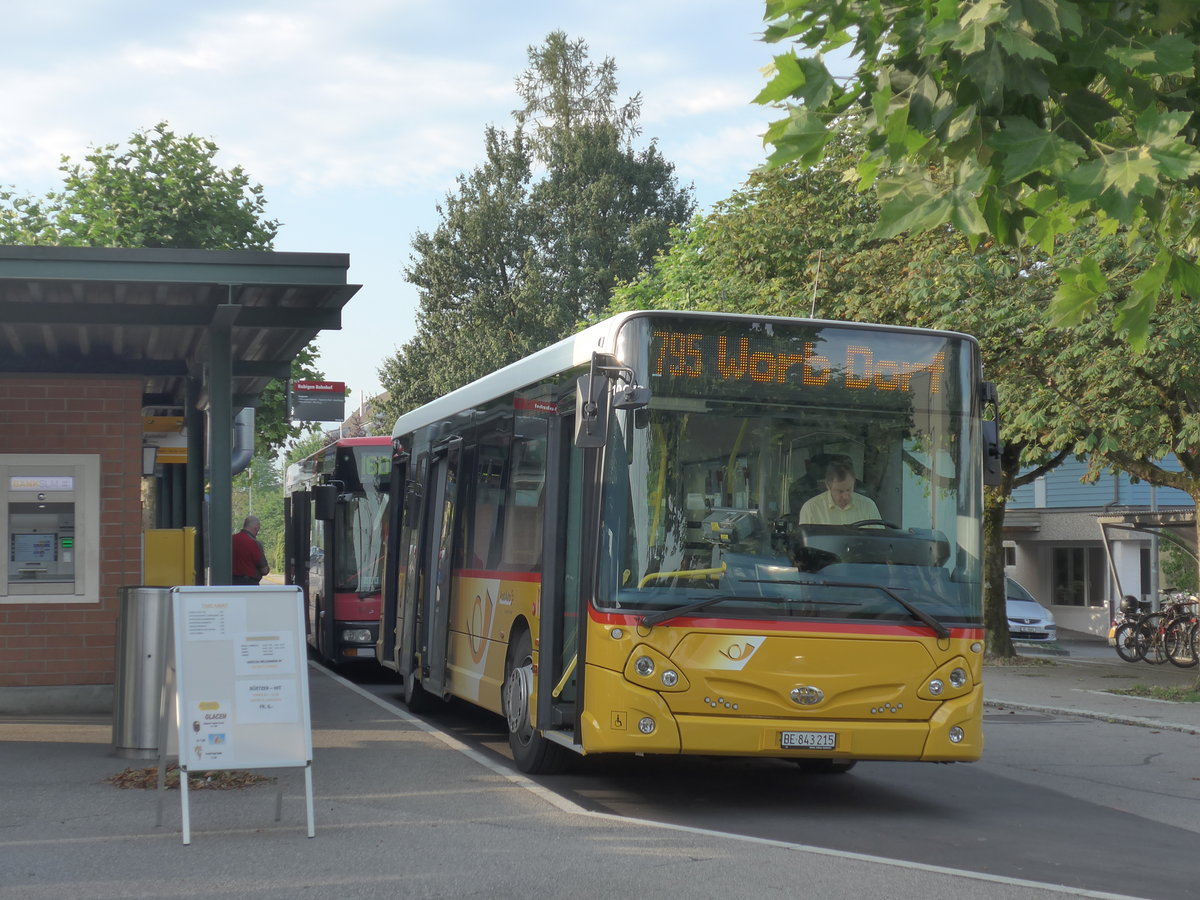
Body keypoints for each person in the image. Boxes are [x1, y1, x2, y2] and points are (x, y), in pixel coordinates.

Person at [797, 460, 881, 526]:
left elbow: (879, 543)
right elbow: (805, 546)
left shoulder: (869, 506)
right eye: (840, 491)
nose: (846, 496)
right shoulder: (811, 509)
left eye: (849, 489)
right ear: (827, 486)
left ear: (854, 482)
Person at [231, 515, 269, 585]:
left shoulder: (231, 540)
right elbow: (264, 570)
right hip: (250, 584)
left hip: (232, 583)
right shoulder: (255, 543)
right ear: (256, 527)